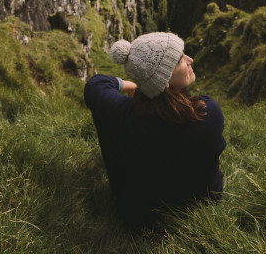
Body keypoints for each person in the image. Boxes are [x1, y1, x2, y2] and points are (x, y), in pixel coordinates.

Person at [83, 32, 226, 230]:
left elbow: (95, 84)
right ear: (164, 81)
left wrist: (132, 84)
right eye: (180, 59)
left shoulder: (121, 116)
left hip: (137, 222)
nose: (190, 59)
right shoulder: (208, 115)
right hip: (201, 218)